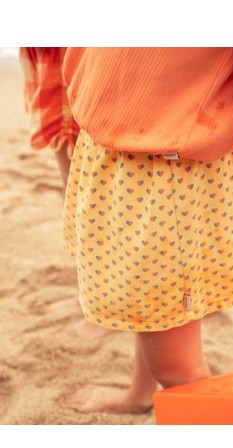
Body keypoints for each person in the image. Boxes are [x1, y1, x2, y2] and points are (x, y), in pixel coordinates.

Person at [61, 47, 233, 414]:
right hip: (110, 152)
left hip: (164, 177)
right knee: (147, 310)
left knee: (176, 366)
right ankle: (140, 394)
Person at [19, 47, 110, 339]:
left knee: (94, 186)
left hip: (76, 46)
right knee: (71, 184)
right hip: (46, 48)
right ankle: (89, 292)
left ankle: (104, 304)